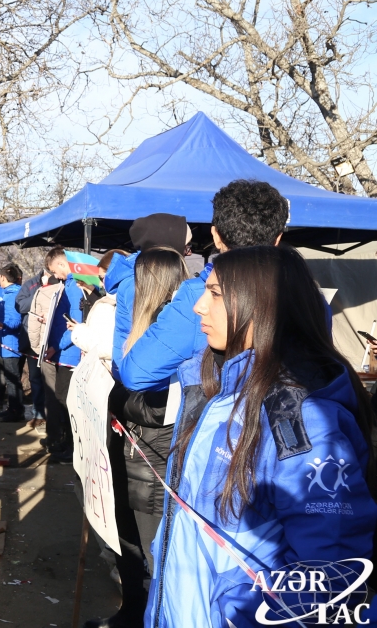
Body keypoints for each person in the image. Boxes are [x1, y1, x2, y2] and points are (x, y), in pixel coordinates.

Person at [146, 245, 377, 627]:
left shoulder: (303, 420)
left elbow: (329, 575)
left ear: (262, 306)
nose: (199, 306)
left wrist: (241, 612)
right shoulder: (223, 388)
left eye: (215, 294)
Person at [84, 247, 189, 628]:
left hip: (154, 457)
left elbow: (162, 407)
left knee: (153, 548)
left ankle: (149, 617)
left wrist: (115, 397)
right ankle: (131, 612)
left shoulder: (176, 330)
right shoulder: (136, 322)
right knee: (125, 538)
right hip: (128, 448)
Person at [118, 180, 288, 391]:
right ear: (277, 239)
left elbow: (136, 374)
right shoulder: (305, 296)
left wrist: (189, 374)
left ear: (215, 236)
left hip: (217, 407)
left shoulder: (197, 296)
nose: (201, 308)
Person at [104, 213, 191, 379]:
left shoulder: (138, 278)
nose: (190, 252)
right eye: (186, 246)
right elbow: (152, 340)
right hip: (142, 378)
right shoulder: (137, 283)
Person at [41, 247, 85, 460]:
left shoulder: (74, 287)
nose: (55, 276)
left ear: (61, 264)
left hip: (70, 353)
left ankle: (71, 447)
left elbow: (76, 323)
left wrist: (56, 346)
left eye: (54, 271)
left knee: (66, 400)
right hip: (64, 352)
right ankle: (65, 443)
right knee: (62, 398)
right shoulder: (68, 285)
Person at [16, 267, 59, 429]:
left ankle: (54, 415)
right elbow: (20, 306)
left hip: (53, 339)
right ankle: (38, 413)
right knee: (35, 378)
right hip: (33, 338)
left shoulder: (62, 283)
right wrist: (40, 292)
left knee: (52, 380)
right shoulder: (31, 284)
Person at [0, 263, 24, 422]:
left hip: (11, 344)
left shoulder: (14, 295)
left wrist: (1, 324)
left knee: (12, 380)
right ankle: (12, 408)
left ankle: (16, 411)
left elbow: (16, 321)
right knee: (8, 378)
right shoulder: (5, 293)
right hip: (4, 342)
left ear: (3, 278)